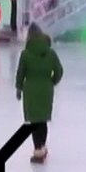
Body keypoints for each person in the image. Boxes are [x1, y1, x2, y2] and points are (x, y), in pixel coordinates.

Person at [15, 23, 64, 164]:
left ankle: (38, 149)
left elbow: (20, 73)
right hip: (46, 89)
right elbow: (59, 71)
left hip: (30, 89)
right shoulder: (50, 53)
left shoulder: (25, 54)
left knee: (34, 121)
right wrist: (51, 82)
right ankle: (42, 147)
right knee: (42, 120)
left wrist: (18, 88)